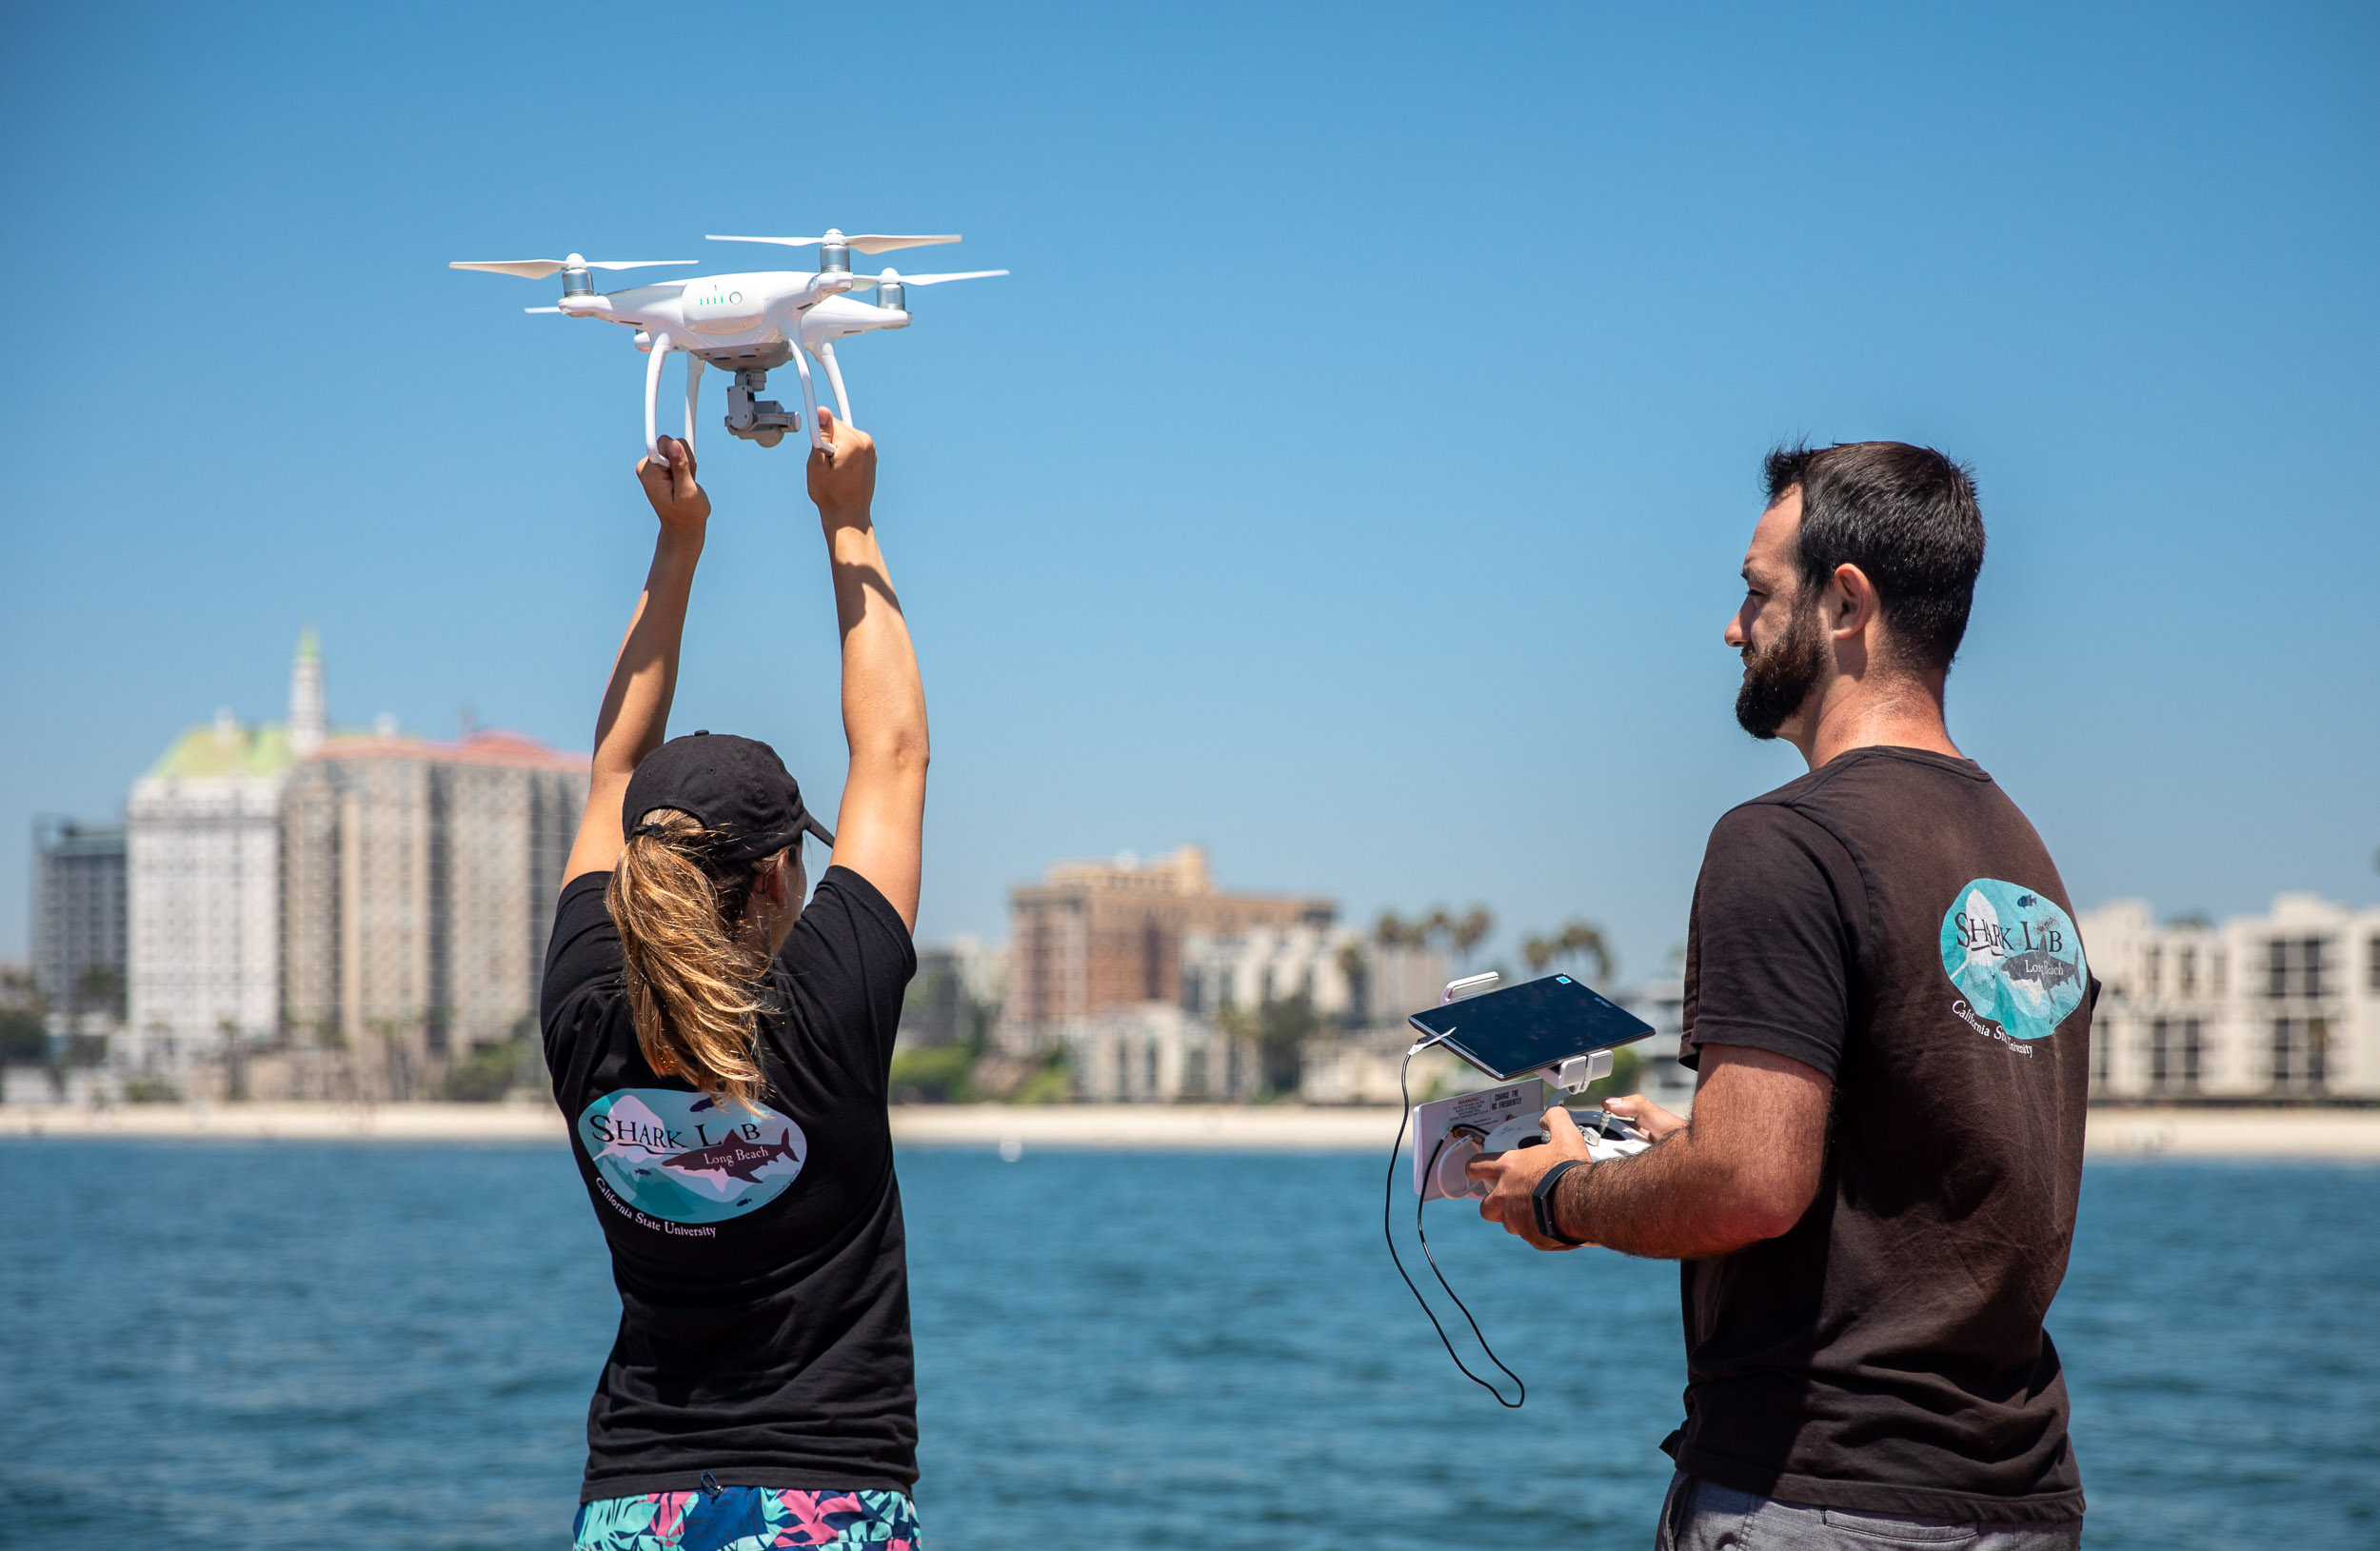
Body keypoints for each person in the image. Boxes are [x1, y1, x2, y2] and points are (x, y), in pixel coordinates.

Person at [1468, 443, 2092, 1550]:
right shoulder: (2018, 858)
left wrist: (1562, 1196)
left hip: (1824, 1493)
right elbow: (1919, 1162)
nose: (1731, 626)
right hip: (2015, 1496)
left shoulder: (1785, 840)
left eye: (1756, 593)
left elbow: (1752, 1186)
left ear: (1845, 602)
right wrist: (1681, 1145)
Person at [540, 410, 931, 1551]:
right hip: (821, 1500)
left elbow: (613, 762)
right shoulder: (826, 1011)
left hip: (634, 1504)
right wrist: (848, 521)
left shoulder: (580, 1009)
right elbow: (893, 755)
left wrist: (674, 551)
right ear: (776, 883)